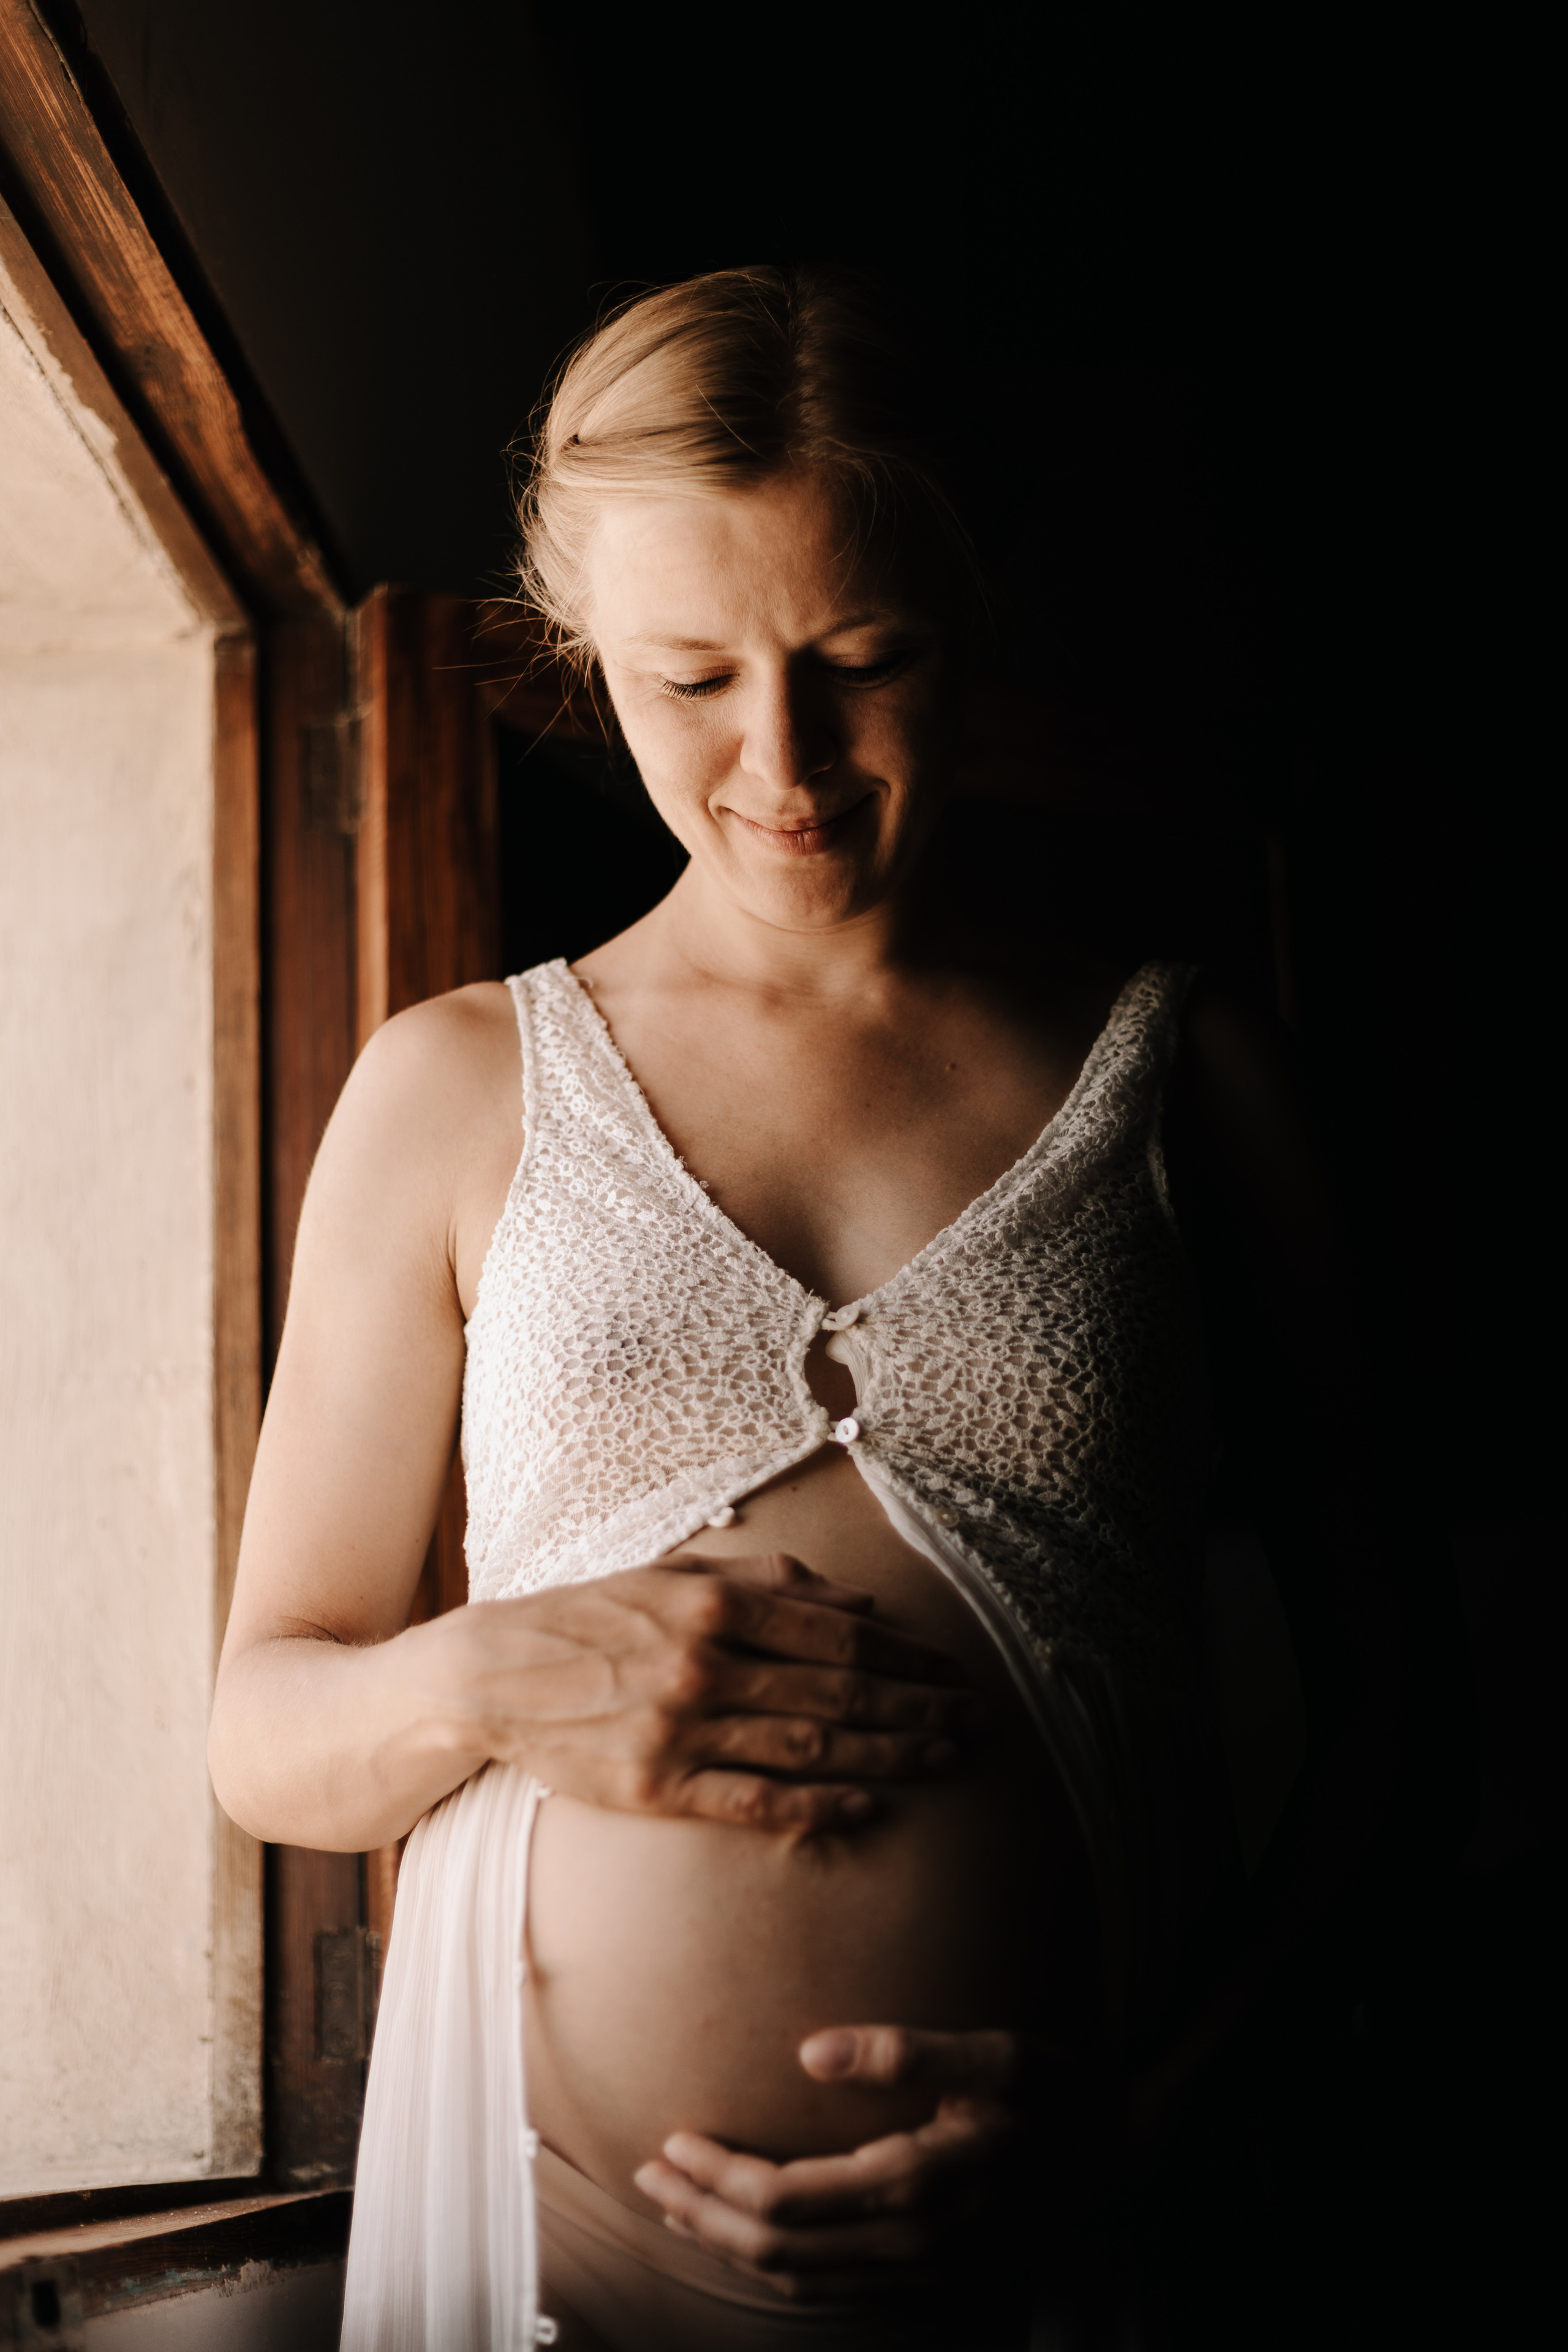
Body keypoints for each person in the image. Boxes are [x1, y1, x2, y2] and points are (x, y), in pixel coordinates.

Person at [208, 268, 1401, 2350]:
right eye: (690, 680)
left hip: (1084, 2259)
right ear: (580, 647)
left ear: (980, 617)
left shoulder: (1192, 1082)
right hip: (557, 2269)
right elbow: (263, 1732)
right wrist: (491, 1682)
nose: (790, 766)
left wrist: (1143, 2127)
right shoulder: (457, 1086)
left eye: (869, 660)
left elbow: (1410, 1743)